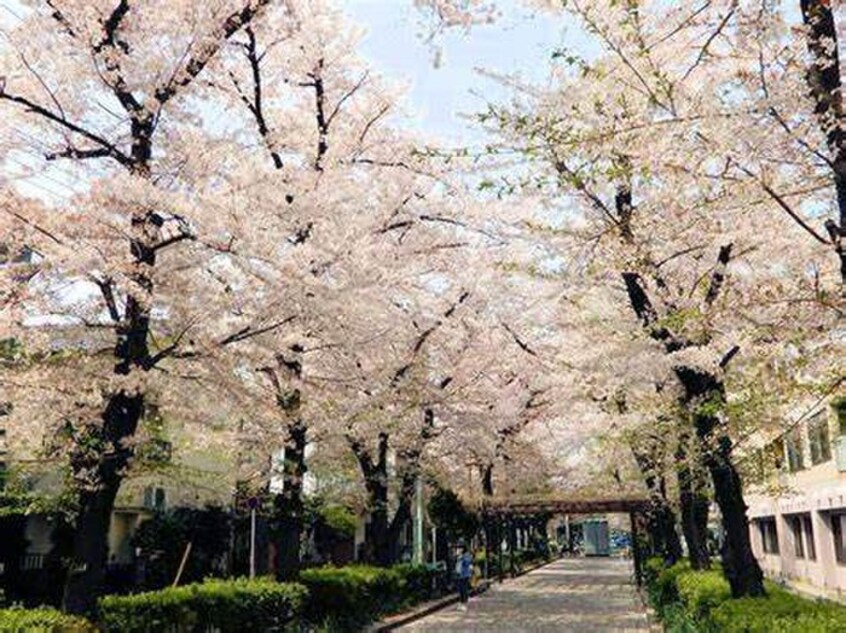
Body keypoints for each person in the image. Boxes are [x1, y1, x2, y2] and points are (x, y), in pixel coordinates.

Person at [455, 544, 473, 610]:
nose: (459, 550)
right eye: (458, 548)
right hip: (459, 575)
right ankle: (460, 603)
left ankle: (464, 604)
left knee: (464, 590)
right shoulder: (459, 556)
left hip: (464, 575)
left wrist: (461, 557)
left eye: (460, 548)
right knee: (460, 590)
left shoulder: (466, 555)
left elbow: (468, 562)